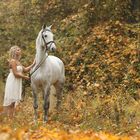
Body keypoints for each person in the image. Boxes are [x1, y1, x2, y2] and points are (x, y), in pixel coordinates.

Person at [2, 45, 35, 117]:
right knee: (11, 101)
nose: (20, 51)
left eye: (19, 50)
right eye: (18, 50)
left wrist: (34, 63)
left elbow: (25, 70)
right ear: (14, 51)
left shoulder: (18, 62)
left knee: (13, 102)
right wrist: (25, 77)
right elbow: (15, 73)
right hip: (13, 80)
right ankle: (9, 117)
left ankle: (11, 117)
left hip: (17, 81)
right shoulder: (13, 61)